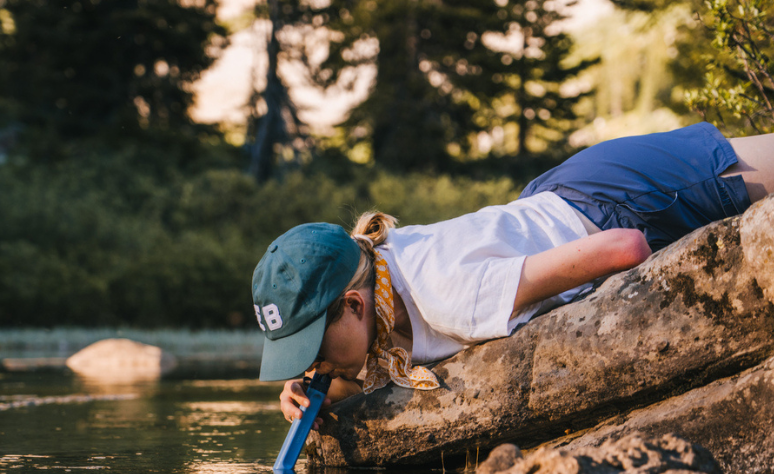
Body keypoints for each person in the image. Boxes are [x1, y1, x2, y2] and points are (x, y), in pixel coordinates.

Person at [251, 122, 774, 428]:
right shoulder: (380, 274)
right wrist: (311, 390)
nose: (316, 363)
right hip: (555, 197)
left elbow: (625, 247)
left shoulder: (446, 295)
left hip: (624, 201)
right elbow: (372, 363)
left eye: (313, 348)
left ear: (355, 304)